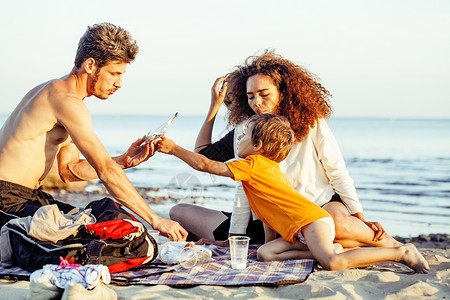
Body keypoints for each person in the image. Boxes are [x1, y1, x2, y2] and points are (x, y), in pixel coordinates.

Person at [170, 50, 399, 248]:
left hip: (320, 207)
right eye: (250, 96)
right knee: (178, 212)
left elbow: (337, 172)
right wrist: (214, 105)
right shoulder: (247, 129)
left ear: (283, 92)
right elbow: (207, 160)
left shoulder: (312, 123)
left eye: (264, 94)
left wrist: (360, 217)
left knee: (335, 226)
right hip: (270, 220)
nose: (256, 103)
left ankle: (388, 245)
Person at [157, 114, 429, 273]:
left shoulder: (253, 166)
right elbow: (269, 219)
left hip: (312, 221)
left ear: (259, 145)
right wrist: (227, 245)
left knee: (333, 263)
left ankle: (399, 252)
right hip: (300, 231)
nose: (237, 139)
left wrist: (173, 148)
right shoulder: (264, 172)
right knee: (264, 253)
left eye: (244, 136)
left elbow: (206, 165)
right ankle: (320, 251)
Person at [0, 23, 187, 241]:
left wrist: (124, 160)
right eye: (114, 73)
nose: (119, 83)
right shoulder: (65, 101)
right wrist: (156, 220)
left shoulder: (62, 95)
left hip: (30, 198)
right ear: (90, 65)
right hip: (7, 201)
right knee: (104, 236)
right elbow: (106, 171)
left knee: (110, 220)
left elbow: (69, 171)